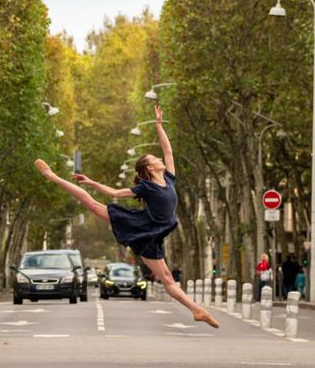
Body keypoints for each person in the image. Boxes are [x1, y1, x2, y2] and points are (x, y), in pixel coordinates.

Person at [35, 104, 219, 328]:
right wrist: (92, 182)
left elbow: (168, 151)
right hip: (140, 225)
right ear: (150, 169)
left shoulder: (169, 178)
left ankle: (197, 310)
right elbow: (114, 193)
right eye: (155, 159)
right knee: (93, 205)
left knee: (168, 278)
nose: (160, 160)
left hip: (154, 235)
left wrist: (159, 125)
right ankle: (53, 177)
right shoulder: (145, 187)